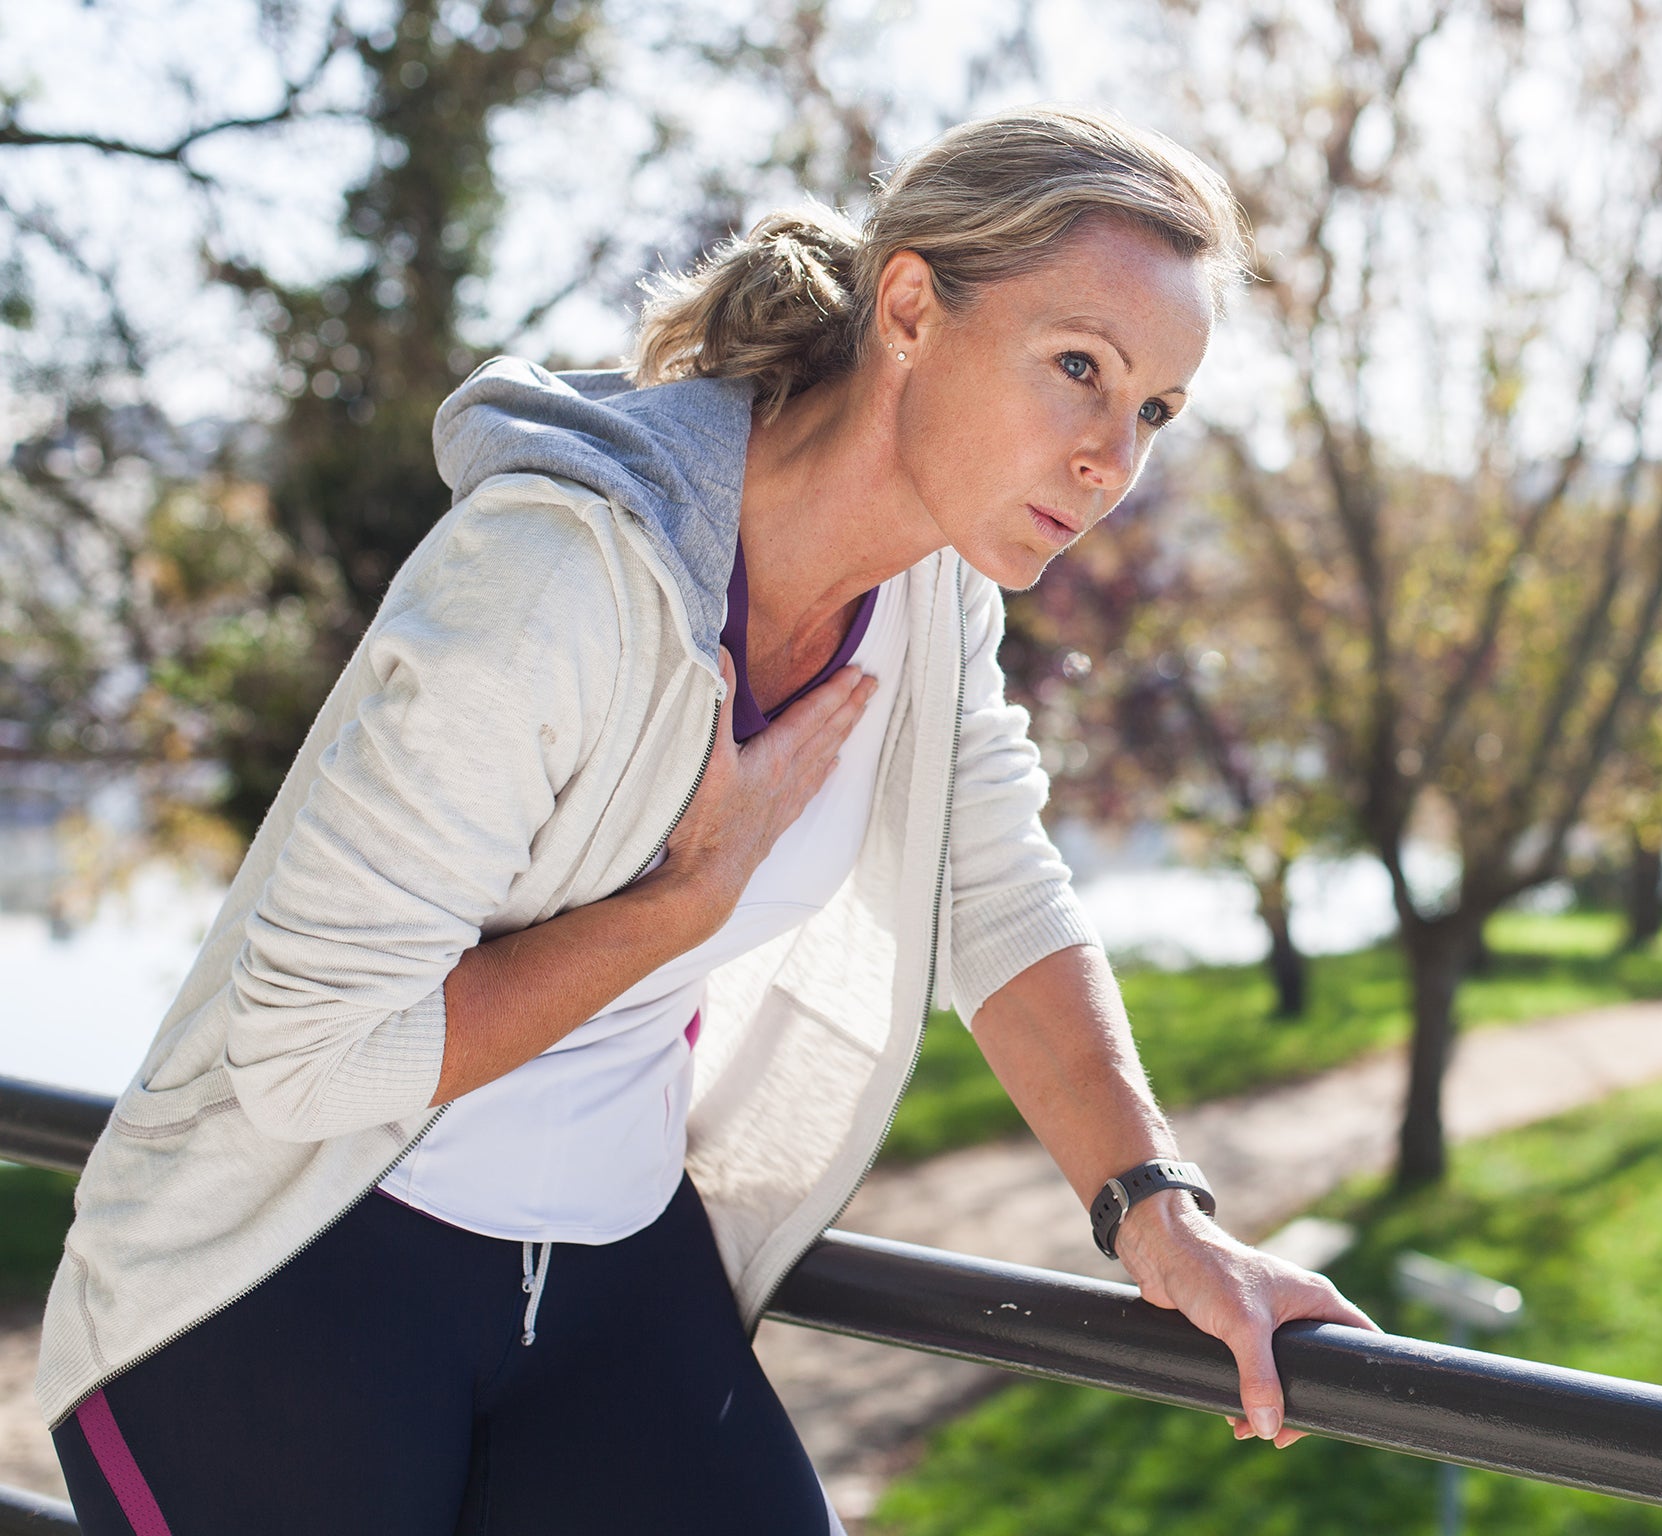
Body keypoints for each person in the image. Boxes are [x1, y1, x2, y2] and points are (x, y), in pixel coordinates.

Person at [37, 104, 1376, 1534]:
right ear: (909, 309)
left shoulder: (932, 598)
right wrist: (679, 906)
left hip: (611, 1274)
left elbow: (994, 897)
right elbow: (309, 1059)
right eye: (1079, 368)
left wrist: (1159, 1212)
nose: (1112, 456)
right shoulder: (560, 575)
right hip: (287, 1281)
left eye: (1155, 409)